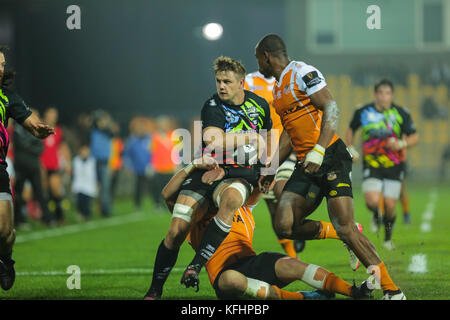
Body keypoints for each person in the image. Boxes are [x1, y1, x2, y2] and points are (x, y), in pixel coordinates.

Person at [254, 34, 405, 300]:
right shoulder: (278, 88)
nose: (258, 64)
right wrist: (270, 169)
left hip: (331, 156)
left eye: (258, 59)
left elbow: (331, 107)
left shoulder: (302, 72)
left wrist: (320, 149)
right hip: (306, 164)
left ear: (266, 56)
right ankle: (339, 233)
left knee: (346, 226)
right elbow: (289, 134)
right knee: (284, 224)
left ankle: (392, 290)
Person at [145, 161, 372, 300]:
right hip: (224, 278)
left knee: (293, 264)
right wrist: (193, 165)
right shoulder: (194, 216)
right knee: (233, 280)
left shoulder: (241, 202)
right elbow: (167, 194)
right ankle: (301, 297)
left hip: (253, 263)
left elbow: (260, 178)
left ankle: (354, 292)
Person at [146, 56, 273, 296]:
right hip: (207, 169)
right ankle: (155, 290)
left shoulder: (260, 105)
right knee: (176, 230)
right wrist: (250, 137)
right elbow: (213, 141)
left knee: (232, 198)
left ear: (241, 83)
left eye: (227, 81)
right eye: (218, 81)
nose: (222, 86)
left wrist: (267, 167)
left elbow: (266, 144)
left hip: (239, 173)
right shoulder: (213, 105)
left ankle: (196, 264)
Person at [0, 46, 55, 290]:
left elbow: (31, 124)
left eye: (2, 64)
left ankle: (5, 259)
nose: (0, 69)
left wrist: (39, 130)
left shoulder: (7, 96)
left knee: (3, 231)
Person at [346, 79, 419, 249]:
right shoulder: (363, 111)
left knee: (390, 206)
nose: (383, 96)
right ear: (375, 94)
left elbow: (414, 136)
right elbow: (351, 129)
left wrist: (402, 144)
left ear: (392, 95)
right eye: (380, 93)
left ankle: (387, 237)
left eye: (387, 93)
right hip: (372, 164)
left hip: (394, 165)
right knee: (372, 202)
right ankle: (375, 215)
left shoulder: (402, 113)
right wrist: (350, 146)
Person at [244, 70, 300, 258]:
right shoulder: (250, 81)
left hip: (284, 147)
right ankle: (293, 255)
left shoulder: (286, 82)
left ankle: (299, 224)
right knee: (273, 210)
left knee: (282, 193)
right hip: (260, 150)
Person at [13, 108, 51, 226]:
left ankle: (48, 219)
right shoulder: (18, 129)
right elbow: (21, 146)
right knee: (18, 193)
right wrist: (31, 146)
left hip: (34, 166)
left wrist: (28, 147)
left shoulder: (37, 130)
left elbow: (40, 148)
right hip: (21, 166)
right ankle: (18, 219)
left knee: (39, 192)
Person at [40, 107, 70, 225]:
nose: (54, 117)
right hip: (43, 166)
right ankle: (47, 218)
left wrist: (67, 163)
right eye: (51, 114)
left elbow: (62, 147)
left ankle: (59, 217)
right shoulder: (40, 130)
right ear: (46, 116)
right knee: (45, 193)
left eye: (55, 115)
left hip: (54, 166)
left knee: (56, 191)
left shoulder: (58, 131)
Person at [90, 110, 114, 217]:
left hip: (104, 162)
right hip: (92, 161)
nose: (102, 122)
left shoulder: (108, 132)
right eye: (100, 120)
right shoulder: (92, 131)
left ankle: (105, 209)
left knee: (105, 186)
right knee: (94, 187)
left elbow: (113, 132)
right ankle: (94, 208)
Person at [71, 144, 97, 220]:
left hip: (89, 185)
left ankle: (87, 215)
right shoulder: (76, 160)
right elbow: (73, 173)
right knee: (80, 201)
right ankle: (80, 214)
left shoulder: (92, 161)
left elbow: (94, 174)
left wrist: (97, 184)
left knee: (87, 202)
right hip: (79, 184)